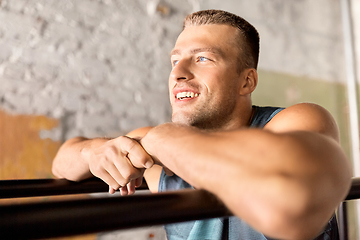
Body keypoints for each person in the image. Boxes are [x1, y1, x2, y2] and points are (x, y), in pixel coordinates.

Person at [52, 9, 352, 240]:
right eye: (174, 61)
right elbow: (62, 162)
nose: (178, 73)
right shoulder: (152, 144)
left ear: (246, 81)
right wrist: (94, 151)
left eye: (203, 59)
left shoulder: (296, 120)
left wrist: (165, 140)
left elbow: (290, 205)